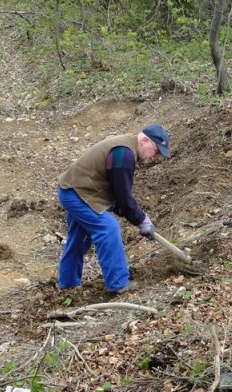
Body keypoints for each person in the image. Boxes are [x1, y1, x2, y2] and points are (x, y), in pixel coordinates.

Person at [56, 124, 171, 294]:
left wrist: (137, 217)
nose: (156, 157)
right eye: (156, 151)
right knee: (108, 228)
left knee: (78, 238)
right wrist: (141, 220)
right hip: (77, 194)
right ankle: (118, 284)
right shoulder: (124, 154)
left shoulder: (126, 148)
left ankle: (68, 285)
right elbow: (123, 197)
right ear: (145, 140)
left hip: (75, 189)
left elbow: (117, 195)